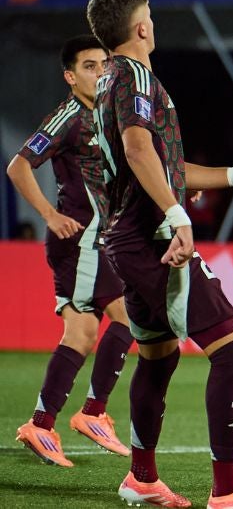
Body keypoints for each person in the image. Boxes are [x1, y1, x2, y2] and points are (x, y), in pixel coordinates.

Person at [85, 0, 233, 509]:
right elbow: (138, 149)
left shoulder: (111, 80)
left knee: (158, 357)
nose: (153, 22)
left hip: (126, 239)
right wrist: (176, 216)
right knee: (232, 352)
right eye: (149, 15)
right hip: (151, 238)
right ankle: (227, 491)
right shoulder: (134, 76)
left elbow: (163, 164)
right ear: (141, 27)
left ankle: (142, 478)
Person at [9, 35, 133, 466]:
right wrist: (49, 214)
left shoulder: (108, 115)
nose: (99, 73)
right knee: (130, 316)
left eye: (104, 65)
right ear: (70, 76)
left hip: (98, 242)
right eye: (89, 66)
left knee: (80, 335)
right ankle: (93, 413)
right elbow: (18, 165)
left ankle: (42, 425)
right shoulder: (68, 118)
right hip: (80, 240)